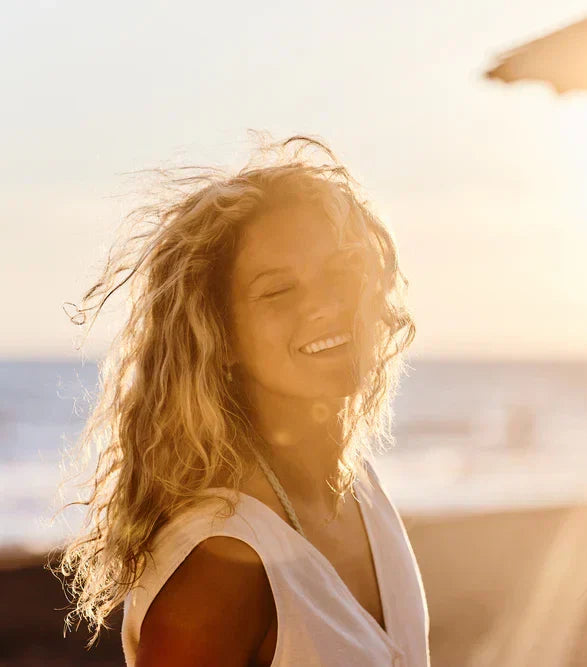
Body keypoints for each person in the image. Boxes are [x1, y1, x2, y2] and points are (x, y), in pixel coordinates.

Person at [50, 134, 429, 666]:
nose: (325, 305)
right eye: (278, 290)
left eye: (341, 273)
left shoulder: (362, 489)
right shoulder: (217, 567)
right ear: (220, 336)